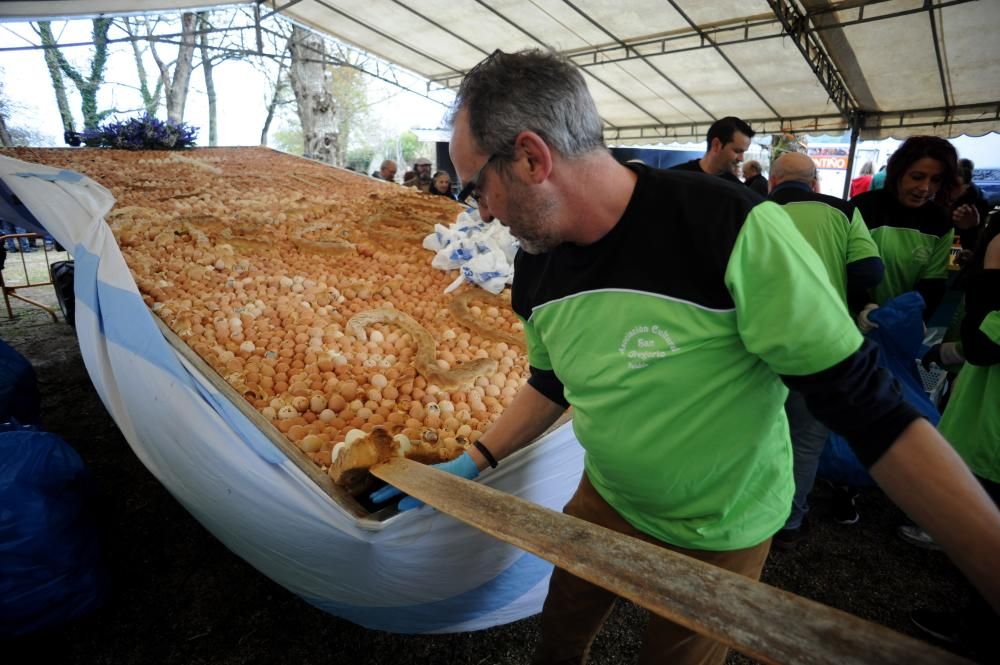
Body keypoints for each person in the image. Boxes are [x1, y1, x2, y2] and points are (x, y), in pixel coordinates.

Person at [373, 49, 1000, 665]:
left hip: (723, 529)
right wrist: (474, 460)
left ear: (533, 158)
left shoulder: (729, 227)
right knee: (561, 637)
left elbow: (868, 407)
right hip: (606, 501)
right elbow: (551, 379)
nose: (480, 210)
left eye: (478, 186)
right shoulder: (536, 265)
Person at [766, 152, 884, 548]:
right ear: (815, 183)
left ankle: (749, 513)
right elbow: (870, 271)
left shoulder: (752, 208)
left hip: (756, 345)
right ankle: (789, 524)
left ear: (772, 181)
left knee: (756, 432)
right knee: (805, 441)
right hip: (820, 346)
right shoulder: (842, 211)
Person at [906, 215, 1000, 660]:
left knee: (987, 534)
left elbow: (984, 343)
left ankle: (977, 635)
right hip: (985, 420)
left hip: (991, 431)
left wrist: (988, 277)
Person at [849, 136, 961, 325]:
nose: (925, 188)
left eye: (935, 180)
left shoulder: (941, 222)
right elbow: (843, 267)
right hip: (849, 321)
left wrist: (915, 319)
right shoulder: (861, 208)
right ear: (898, 172)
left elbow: (934, 282)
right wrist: (863, 306)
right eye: (917, 177)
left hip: (902, 325)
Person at [670, 116, 753, 183]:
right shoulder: (675, 179)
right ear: (716, 145)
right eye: (737, 151)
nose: (741, 159)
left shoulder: (736, 189)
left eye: (743, 152)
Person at [952, 158, 989, 250]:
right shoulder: (977, 192)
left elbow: (960, 233)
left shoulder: (971, 199)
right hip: (963, 239)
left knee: (953, 261)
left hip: (961, 240)